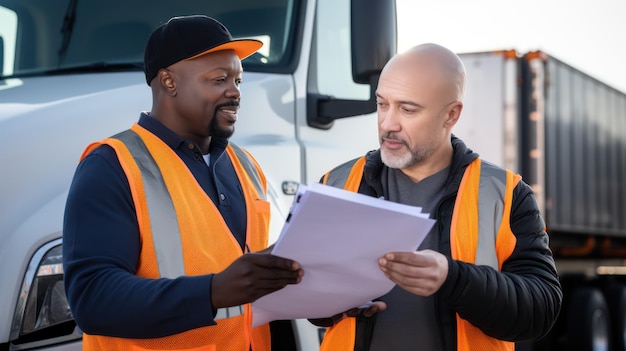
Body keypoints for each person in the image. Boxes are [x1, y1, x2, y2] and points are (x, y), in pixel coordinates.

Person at [62, 15, 303, 351]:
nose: (235, 92)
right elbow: (92, 298)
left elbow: (252, 296)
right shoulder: (111, 165)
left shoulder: (246, 165)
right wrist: (212, 291)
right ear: (169, 82)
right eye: (219, 79)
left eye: (238, 80)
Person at [313, 43, 562, 351]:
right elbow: (313, 310)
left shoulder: (506, 193)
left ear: (451, 115)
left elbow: (540, 311)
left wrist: (453, 279)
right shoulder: (333, 184)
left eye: (408, 109)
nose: (388, 124)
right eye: (382, 104)